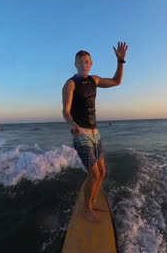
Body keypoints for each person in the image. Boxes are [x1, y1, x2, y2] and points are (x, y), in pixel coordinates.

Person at [62, 42, 128, 223]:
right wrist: (72, 123)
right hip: (81, 134)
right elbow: (66, 111)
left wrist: (120, 61)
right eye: (81, 62)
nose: (84, 65)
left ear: (91, 64)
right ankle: (87, 209)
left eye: (87, 62)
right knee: (93, 174)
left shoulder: (94, 80)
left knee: (102, 172)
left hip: (95, 133)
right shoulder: (70, 83)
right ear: (75, 64)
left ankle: (92, 200)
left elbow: (116, 81)